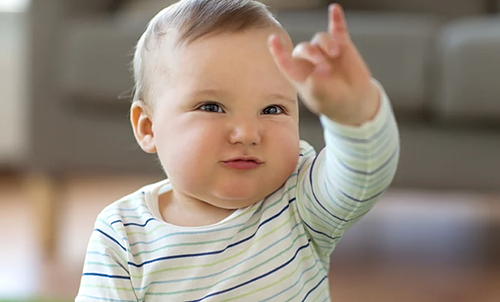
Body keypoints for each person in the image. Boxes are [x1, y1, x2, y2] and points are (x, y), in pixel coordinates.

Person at [76, 0, 399, 301]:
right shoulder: (123, 235)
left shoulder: (297, 199)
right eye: (212, 107)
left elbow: (363, 174)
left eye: (272, 110)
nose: (247, 133)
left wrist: (356, 113)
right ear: (148, 128)